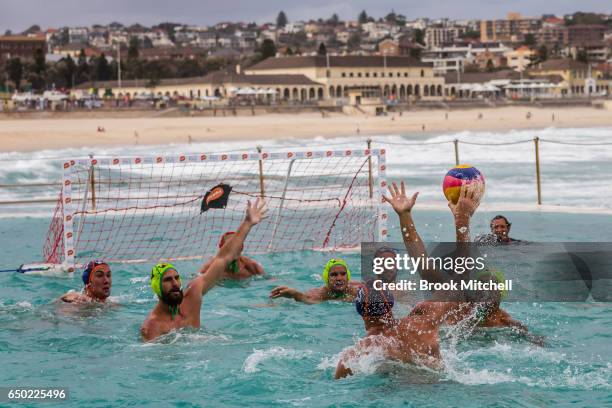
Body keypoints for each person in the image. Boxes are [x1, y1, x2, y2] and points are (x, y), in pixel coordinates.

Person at [140, 198, 267, 341]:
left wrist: (247, 223)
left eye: (176, 278)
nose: (175, 283)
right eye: (168, 280)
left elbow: (222, 259)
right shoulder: (152, 327)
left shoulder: (192, 298)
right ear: (156, 286)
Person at [269, 258, 362, 304]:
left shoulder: (356, 290)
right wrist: (294, 294)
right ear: (327, 278)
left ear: (348, 275)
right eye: (334, 275)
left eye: (343, 274)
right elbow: (306, 298)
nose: (339, 278)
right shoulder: (321, 293)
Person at [199, 231, 265, 280]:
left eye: (235, 247)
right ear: (221, 248)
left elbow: (266, 279)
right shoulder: (210, 266)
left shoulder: (251, 266)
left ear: (241, 248)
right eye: (229, 248)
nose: (232, 251)